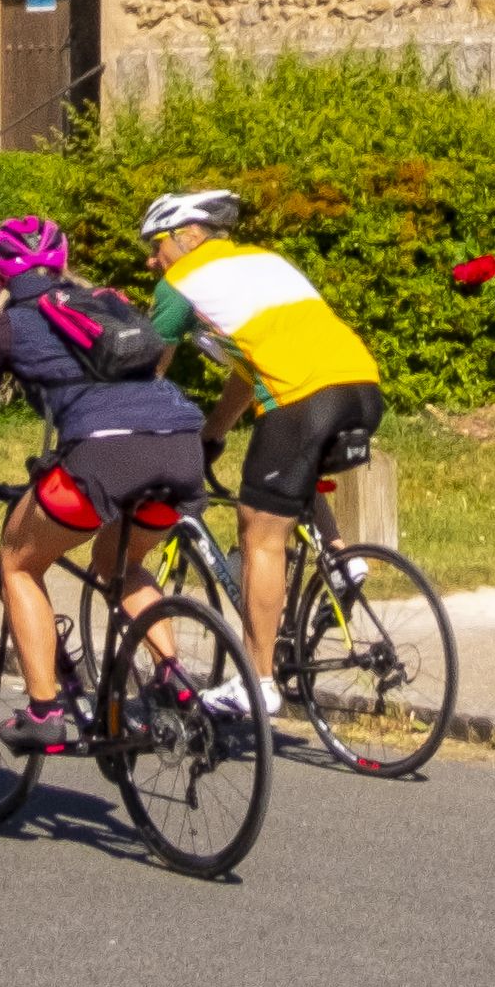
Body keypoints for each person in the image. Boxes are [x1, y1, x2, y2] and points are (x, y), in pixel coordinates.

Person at [0, 215, 211, 757]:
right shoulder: (111, 303)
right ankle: (174, 680)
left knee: (18, 561)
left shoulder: (4, 327)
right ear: (63, 263)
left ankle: (45, 712)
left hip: (104, 455)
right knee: (121, 563)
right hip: (182, 441)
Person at [136, 187, 386, 670]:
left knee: (260, 539)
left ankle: (258, 683)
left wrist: (134, 426)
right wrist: (213, 434)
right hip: (362, 387)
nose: (152, 260)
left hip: (304, 399)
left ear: (189, 235)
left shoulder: (181, 282)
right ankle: (340, 559)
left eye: (156, 244)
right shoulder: (263, 262)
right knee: (292, 476)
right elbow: (246, 377)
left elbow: (152, 369)